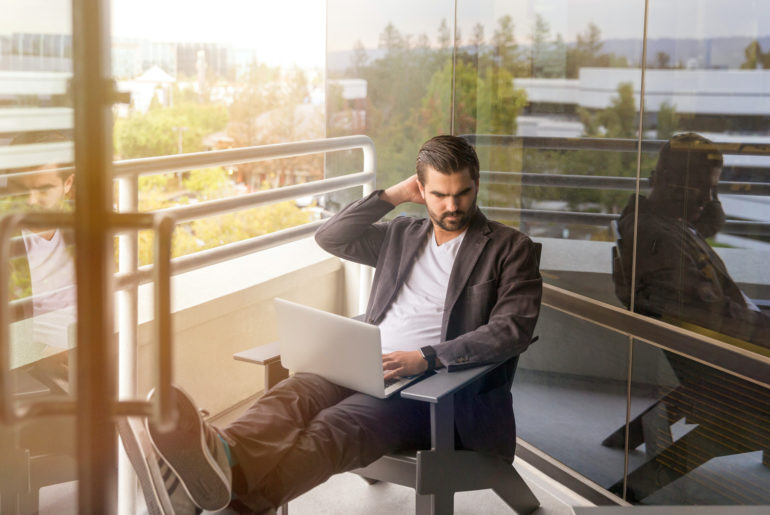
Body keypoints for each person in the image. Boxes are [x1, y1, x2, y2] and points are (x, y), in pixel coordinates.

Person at [145, 135, 543, 513]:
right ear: (421, 190)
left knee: (337, 425)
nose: (452, 205)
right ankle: (222, 456)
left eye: (462, 193)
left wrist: (426, 358)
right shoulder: (403, 233)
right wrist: (392, 195)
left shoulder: (509, 249)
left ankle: (228, 499)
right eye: (439, 194)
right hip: (365, 362)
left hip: (434, 389)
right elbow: (331, 237)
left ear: (477, 185)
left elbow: (512, 330)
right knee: (293, 396)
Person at [614, 132, 770, 348]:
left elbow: (691, 235)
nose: (707, 199)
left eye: (712, 190)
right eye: (700, 186)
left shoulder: (657, 220)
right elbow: (715, 315)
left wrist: (710, 206)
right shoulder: (659, 239)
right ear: (667, 180)